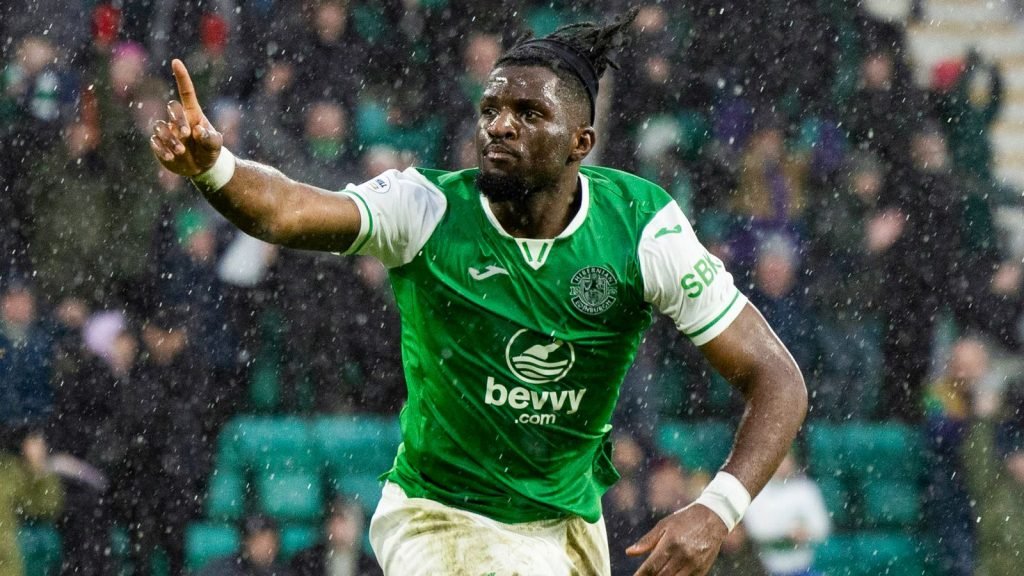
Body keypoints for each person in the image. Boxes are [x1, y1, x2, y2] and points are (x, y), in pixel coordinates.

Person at [150, 10, 807, 575]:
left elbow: (778, 378)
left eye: (528, 112)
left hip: (565, 524)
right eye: (490, 108)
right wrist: (215, 165)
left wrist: (718, 507)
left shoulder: (643, 230)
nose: (499, 125)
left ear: (582, 142)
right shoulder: (427, 207)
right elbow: (288, 211)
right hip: (440, 517)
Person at [290, 496, 382, 576]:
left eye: (343, 523)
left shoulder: (372, 568)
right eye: (334, 523)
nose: (337, 530)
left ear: (357, 526)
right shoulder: (305, 562)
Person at [197, 514, 293, 576]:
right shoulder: (221, 570)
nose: (263, 546)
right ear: (245, 543)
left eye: (266, 540)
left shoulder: (285, 572)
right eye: (256, 541)